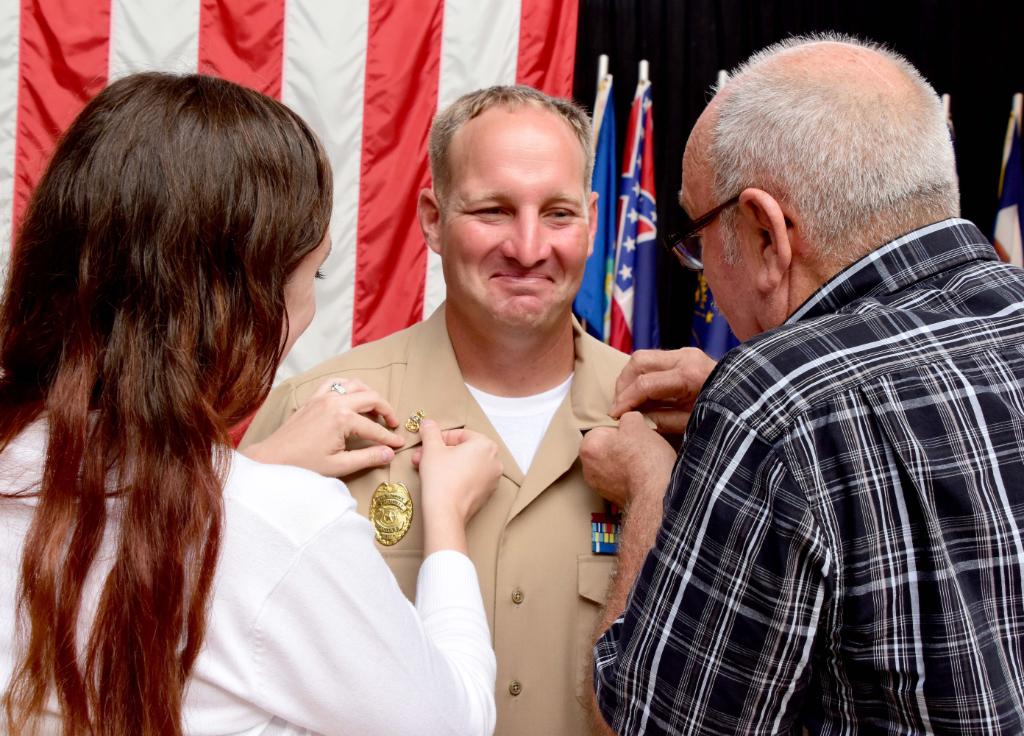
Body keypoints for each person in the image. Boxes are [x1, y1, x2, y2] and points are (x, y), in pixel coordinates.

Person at [0, 72, 501, 736]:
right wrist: (447, 523)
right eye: (311, 273)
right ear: (242, 302)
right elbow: (452, 724)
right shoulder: (287, 524)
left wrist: (251, 465)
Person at [584, 34, 1024, 734]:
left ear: (765, 232)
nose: (701, 271)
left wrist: (653, 491)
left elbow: (649, 725)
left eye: (698, 237)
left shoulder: (770, 407)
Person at [242, 85, 628, 735]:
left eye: (558, 213)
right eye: (494, 211)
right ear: (431, 218)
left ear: (592, 221)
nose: (529, 247)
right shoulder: (314, 415)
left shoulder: (662, 428)